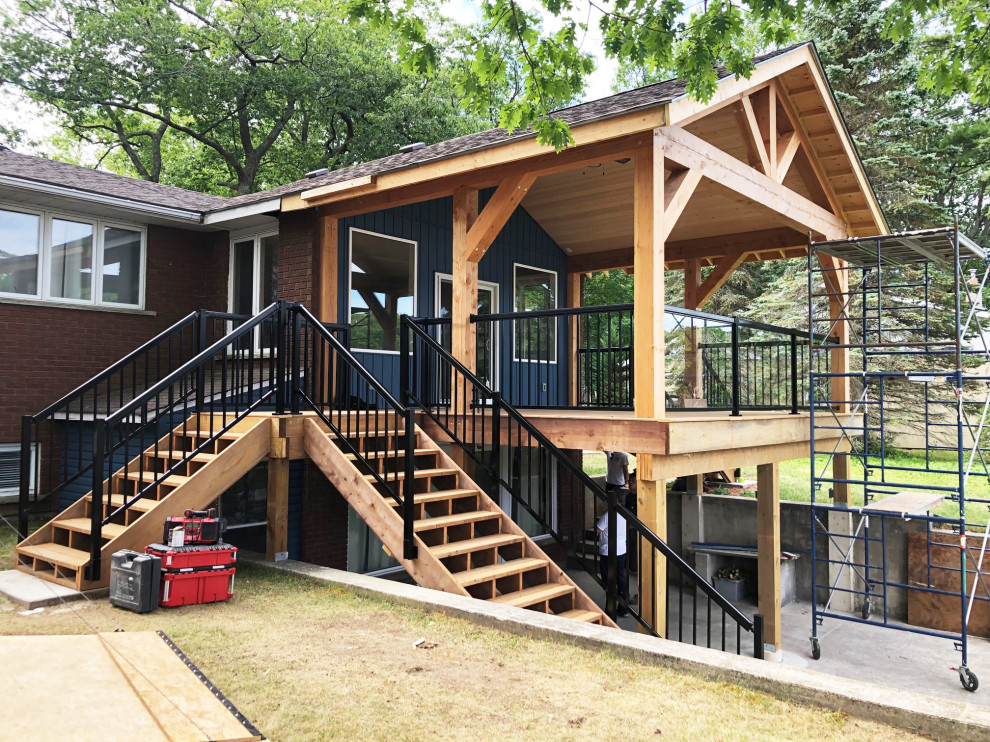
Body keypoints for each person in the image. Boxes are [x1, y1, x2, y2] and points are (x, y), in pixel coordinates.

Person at [597, 500, 629, 617]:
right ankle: (623, 608)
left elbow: (598, 529)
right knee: (621, 578)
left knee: (608, 580)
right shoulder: (625, 514)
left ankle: (610, 608)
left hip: (608, 551)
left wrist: (605, 512)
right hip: (621, 550)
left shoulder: (608, 515)